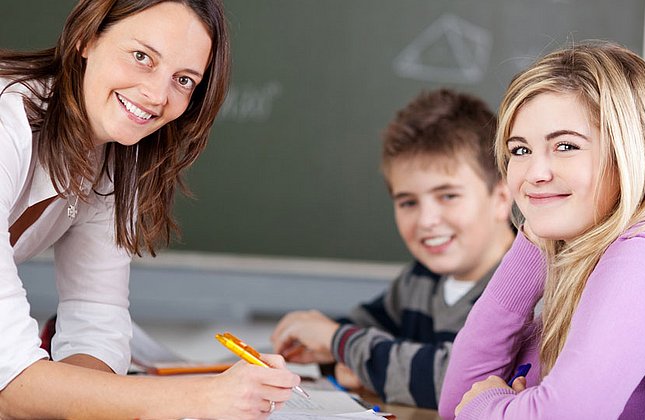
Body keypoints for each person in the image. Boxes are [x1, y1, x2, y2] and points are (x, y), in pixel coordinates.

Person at [0, 1, 300, 418]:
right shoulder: (4, 122)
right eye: (142, 57)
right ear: (87, 37)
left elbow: (96, 323)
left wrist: (78, 402)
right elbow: (12, 386)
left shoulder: (114, 155)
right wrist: (202, 397)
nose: (158, 96)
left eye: (183, 79)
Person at [438, 41, 645, 419]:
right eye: (520, 151)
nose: (535, 174)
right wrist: (532, 245)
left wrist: (488, 406)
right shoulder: (582, 249)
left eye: (565, 146)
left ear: (629, 152)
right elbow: (456, 403)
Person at [270, 88, 515, 409]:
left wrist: (340, 344)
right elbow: (360, 335)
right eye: (408, 202)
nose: (427, 220)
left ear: (500, 198)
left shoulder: (522, 291)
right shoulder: (420, 279)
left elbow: (457, 380)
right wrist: (338, 353)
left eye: (448, 196)